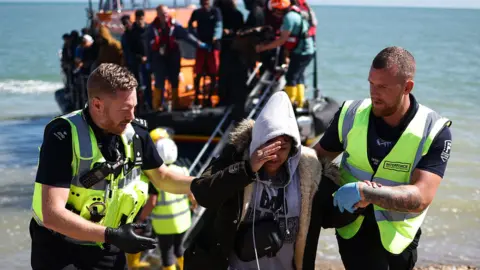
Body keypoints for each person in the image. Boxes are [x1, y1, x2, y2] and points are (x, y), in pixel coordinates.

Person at [30, 63, 195, 270]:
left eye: (135, 107)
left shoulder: (136, 134)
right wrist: (112, 235)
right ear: (97, 105)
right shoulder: (62, 135)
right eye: (126, 109)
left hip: (110, 249)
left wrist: (202, 184)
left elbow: (162, 178)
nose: (132, 116)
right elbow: (52, 214)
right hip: (61, 253)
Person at [314, 46, 453, 270]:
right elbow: (316, 159)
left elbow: (422, 196)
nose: (373, 93)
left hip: (399, 237)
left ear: (407, 87)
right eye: (371, 83)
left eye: (383, 87)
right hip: (351, 225)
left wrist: (367, 193)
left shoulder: (433, 130)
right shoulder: (350, 114)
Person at [183, 91, 342, 269]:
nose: (274, 155)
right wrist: (247, 169)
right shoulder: (236, 159)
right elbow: (203, 194)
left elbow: (331, 218)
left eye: (282, 147)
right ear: (257, 140)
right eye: (268, 145)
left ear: (292, 148)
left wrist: (357, 202)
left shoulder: (308, 173)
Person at [138, 134, 195, 270]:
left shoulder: (155, 176)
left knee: (167, 254)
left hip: (164, 224)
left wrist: (141, 218)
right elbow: (191, 194)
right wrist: (193, 204)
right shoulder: (183, 170)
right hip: (183, 220)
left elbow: (152, 202)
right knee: (179, 249)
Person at [255, 0, 316, 109]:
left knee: (291, 77)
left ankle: (290, 104)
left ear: (280, 9)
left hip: (302, 51)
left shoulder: (289, 18)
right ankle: (300, 101)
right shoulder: (295, 13)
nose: (274, 14)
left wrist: (263, 47)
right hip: (307, 50)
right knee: (299, 76)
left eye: (275, 11)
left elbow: (282, 40)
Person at [148, 4, 209, 110]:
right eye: (162, 14)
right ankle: (157, 106)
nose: (165, 15)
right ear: (158, 15)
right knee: (159, 81)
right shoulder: (152, 28)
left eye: (166, 13)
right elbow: (147, 45)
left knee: (174, 80)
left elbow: (186, 36)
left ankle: (176, 104)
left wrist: (199, 44)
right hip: (159, 58)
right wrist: (149, 60)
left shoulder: (174, 25)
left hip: (173, 57)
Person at [188, 0, 223, 107]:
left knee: (213, 72)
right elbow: (190, 26)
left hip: (213, 46)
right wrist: (196, 39)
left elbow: (219, 25)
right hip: (201, 46)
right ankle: (196, 97)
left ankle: (210, 98)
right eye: (203, 3)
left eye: (207, 2)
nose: (205, 5)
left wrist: (215, 37)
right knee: (198, 72)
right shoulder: (197, 13)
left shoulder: (215, 11)